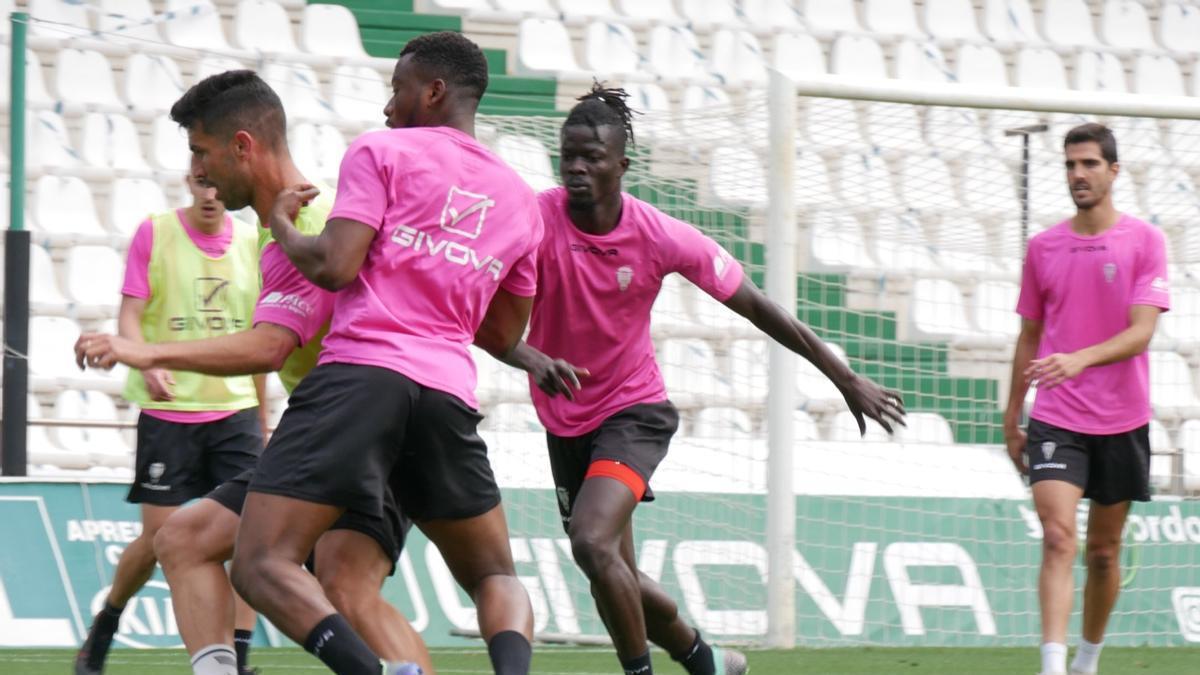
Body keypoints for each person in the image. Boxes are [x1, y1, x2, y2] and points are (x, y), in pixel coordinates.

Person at [495, 84, 907, 675]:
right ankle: (704, 659)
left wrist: (842, 377)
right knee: (614, 574)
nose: (578, 169)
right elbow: (479, 300)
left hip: (632, 411)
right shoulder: (535, 219)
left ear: (623, 166)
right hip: (563, 418)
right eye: (569, 157)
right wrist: (527, 356)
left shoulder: (660, 235)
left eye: (593, 158)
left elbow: (760, 307)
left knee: (590, 541)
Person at [74, 70, 432, 675]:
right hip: (343, 427)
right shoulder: (281, 230)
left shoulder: (307, 229)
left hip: (362, 428)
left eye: (201, 152)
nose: (199, 172)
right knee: (189, 542)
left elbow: (268, 347)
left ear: (243, 146)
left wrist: (148, 351)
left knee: (326, 584)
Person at [226, 32, 542, 675]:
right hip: (447, 395)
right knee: (494, 576)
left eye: (397, 89)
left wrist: (285, 226)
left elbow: (337, 267)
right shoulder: (520, 200)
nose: (387, 105)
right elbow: (505, 332)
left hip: (359, 380)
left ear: (433, 91)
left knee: (260, 563)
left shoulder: (382, 151)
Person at [74, 174, 265, 675]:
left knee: (249, 539)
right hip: (169, 414)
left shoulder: (253, 241)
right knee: (160, 541)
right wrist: (145, 363)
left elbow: (262, 340)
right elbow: (130, 317)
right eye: (201, 184)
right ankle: (107, 622)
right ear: (189, 183)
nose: (210, 193)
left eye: (217, 185)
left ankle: (236, 659)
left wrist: (263, 419)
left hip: (236, 411)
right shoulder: (154, 233)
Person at [1002, 123, 1169, 675]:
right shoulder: (1042, 247)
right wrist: (1011, 418)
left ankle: (1086, 661)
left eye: (1090, 164)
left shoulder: (1145, 241)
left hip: (1123, 419)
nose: (1078, 174)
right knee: (1057, 538)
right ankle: (1053, 667)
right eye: (1071, 165)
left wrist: (1079, 358)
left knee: (1103, 554)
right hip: (1056, 418)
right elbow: (1029, 335)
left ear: (1113, 171)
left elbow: (1142, 331)